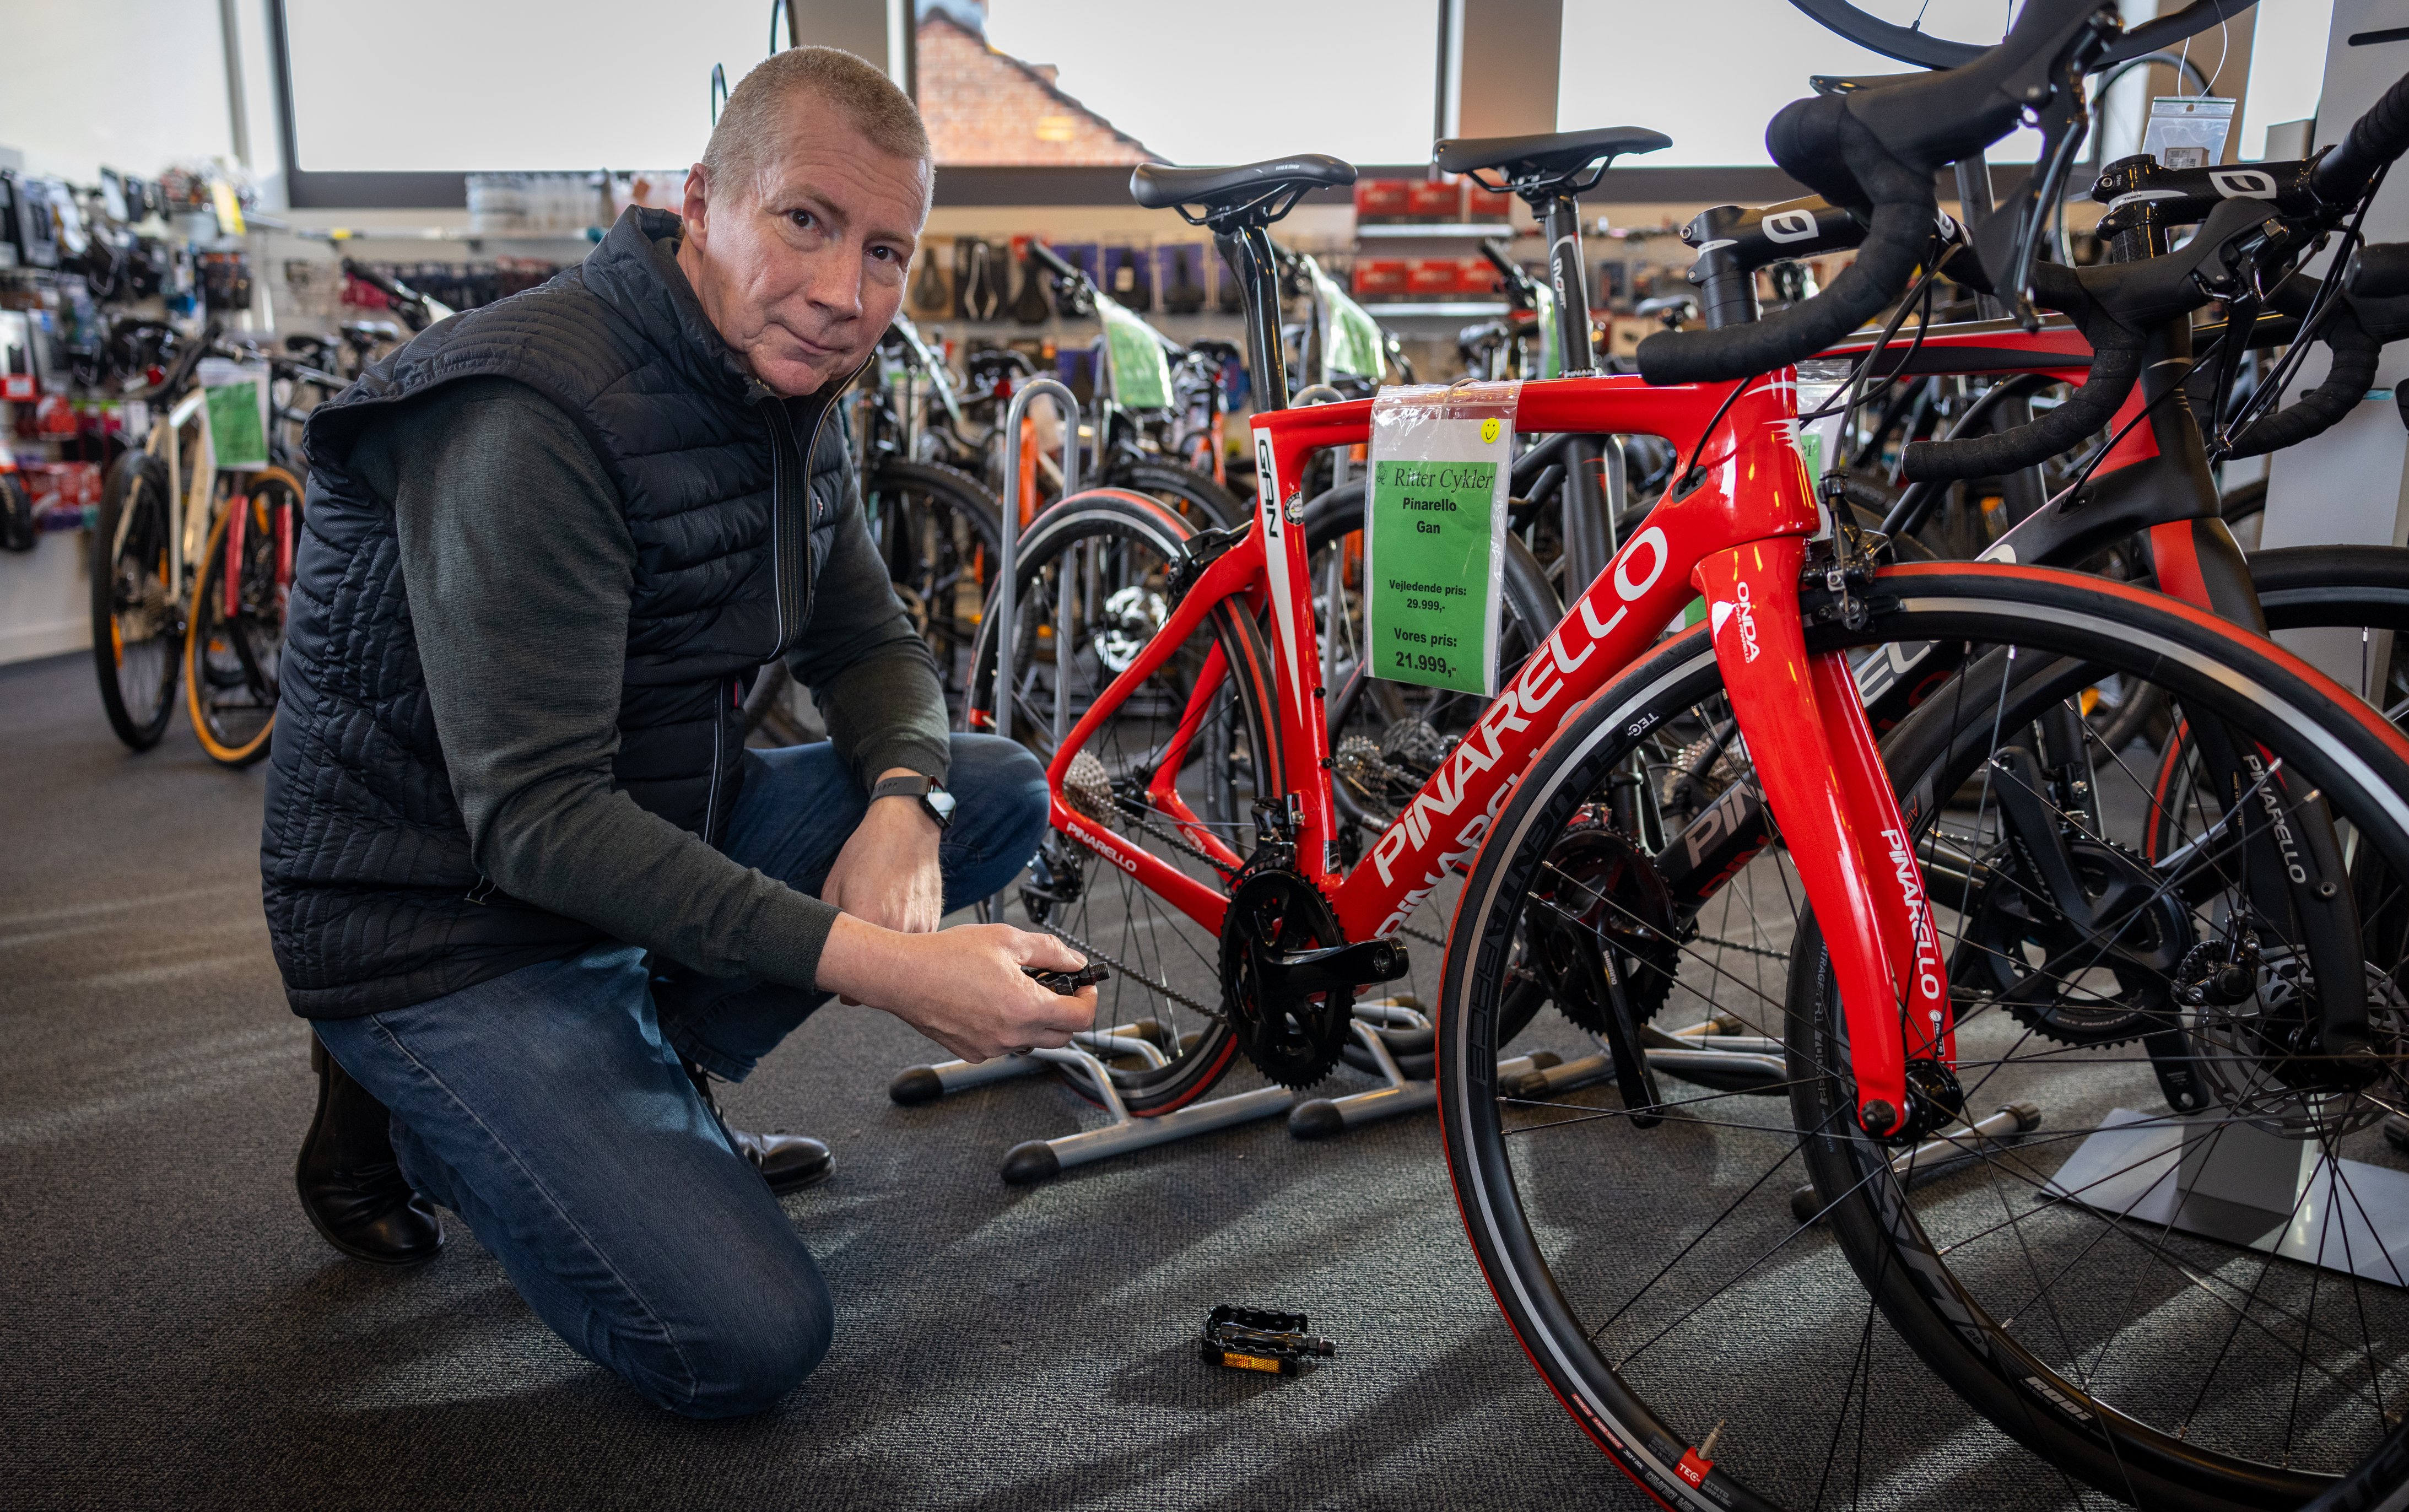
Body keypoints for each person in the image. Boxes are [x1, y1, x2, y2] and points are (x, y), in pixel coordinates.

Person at [261, 46, 1096, 1418]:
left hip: (633, 834)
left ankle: (610, 1073)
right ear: (701, 201)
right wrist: (896, 967)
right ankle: (417, 1108)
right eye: (805, 221)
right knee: (744, 1344)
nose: (844, 294)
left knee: (986, 786)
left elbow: (871, 647)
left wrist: (905, 802)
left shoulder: (787, 389)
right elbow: (536, 820)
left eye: (885, 251)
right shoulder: (529, 411)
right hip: (439, 918)